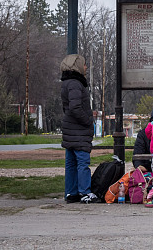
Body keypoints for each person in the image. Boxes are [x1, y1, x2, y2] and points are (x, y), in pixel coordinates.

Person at [60, 54, 97, 204]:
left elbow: (67, 107)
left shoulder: (66, 83)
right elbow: (75, 107)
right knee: (82, 162)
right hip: (79, 130)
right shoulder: (75, 83)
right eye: (84, 64)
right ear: (77, 66)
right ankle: (85, 192)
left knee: (70, 163)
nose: (86, 67)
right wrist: (88, 120)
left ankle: (71, 192)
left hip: (70, 128)